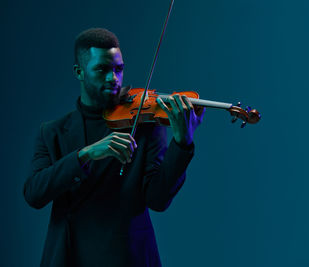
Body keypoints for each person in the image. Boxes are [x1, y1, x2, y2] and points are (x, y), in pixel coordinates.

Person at [23, 28, 204, 267]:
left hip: (128, 257)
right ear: (79, 72)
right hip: (70, 256)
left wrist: (182, 143)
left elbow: (158, 200)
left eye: (118, 69)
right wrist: (85, 154)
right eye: (102, 69)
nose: (113, 78)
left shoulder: (145, 123)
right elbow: (34, 193)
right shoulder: (53, 132)